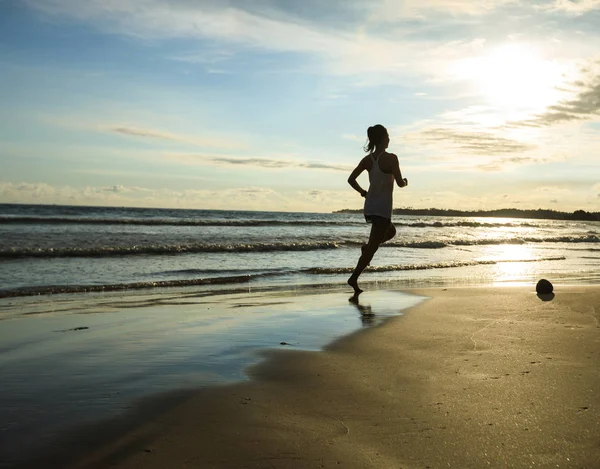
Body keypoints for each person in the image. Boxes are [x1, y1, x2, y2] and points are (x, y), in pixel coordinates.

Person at [347, 124, 408, 297]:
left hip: (370, 206)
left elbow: (351, 179)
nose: (389, 139)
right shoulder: (391, 158)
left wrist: (363, 193)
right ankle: (354, 277)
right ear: (382, 139)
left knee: (391, 231)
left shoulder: (368, 160)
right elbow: (400, 183)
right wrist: (405, 181)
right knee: (373, 247)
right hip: (382, 208)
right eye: (387, 136)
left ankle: (366, 248)